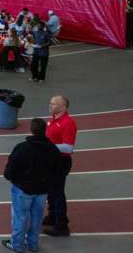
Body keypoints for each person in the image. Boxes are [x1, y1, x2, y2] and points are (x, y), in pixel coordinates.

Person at [1, 118, 61, 252]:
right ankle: (33, 244)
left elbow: (11, 168)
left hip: (23, 189)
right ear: (45, 130)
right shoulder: (53, 149)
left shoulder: (22, 148)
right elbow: (57, 171)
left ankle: (17, 245)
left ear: (32, 130)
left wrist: (11, 177)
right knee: (37, 218)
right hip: (42, 190)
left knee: (20, 218)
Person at [43, 95, 77, 237]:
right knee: (51, 191)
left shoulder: (68, 123)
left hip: (60, 162)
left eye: (54, 104)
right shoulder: (53, 120)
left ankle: (62, 226)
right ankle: (52, 216)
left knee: (57, 193)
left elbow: (68, 148)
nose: (50, 105)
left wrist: (48, 146)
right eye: (50, 103)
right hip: (51, 161)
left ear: (63, 107)